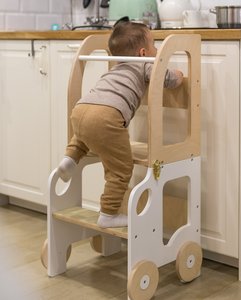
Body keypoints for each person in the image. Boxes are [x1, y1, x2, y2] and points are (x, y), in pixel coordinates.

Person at [57, 21, 183, 228]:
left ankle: (69, 159)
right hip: (107, 117)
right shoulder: (146, 64)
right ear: (143, 52)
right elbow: (166, 78)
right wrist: (178, 76)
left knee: (84, 134)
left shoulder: (116, 68)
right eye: (154, 44)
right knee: (121, 169)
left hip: (81, 109)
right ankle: (108, 213)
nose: (157, 49)